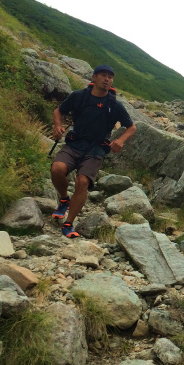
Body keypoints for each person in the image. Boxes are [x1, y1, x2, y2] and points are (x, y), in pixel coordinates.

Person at [50, 64, 136, 238]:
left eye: (110, 77)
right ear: (94, 77)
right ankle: (65, 198)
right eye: (103, 75)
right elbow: (58, 111)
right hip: (75, 143)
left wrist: (120, 140)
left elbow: (131, 127)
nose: (107, 79)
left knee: (82, 181)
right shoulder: (79, 96)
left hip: (96, 149)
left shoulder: (114, 105)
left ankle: (68, 223)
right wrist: (58, 127)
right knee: (57, 169)